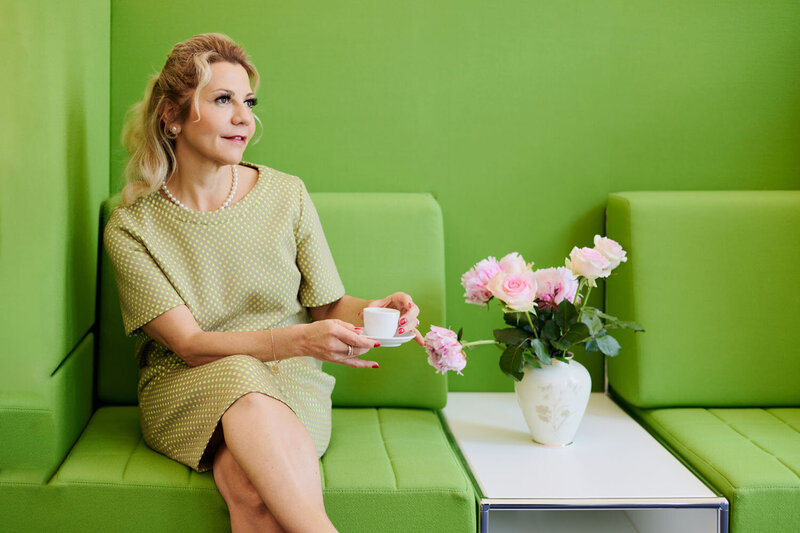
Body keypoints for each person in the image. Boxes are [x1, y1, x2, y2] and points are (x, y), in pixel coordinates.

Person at [103, 33, 424, 533]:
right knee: (240, 379)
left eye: (248, 102)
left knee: (252, 495)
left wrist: (373, 310)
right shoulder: (132, 228)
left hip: (290, 378)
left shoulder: (286, 194)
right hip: (187, 385)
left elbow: (326, 308)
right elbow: (189, 346)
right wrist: (295, 340)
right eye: (223, 100)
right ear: (171, 115)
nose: (244, 118)